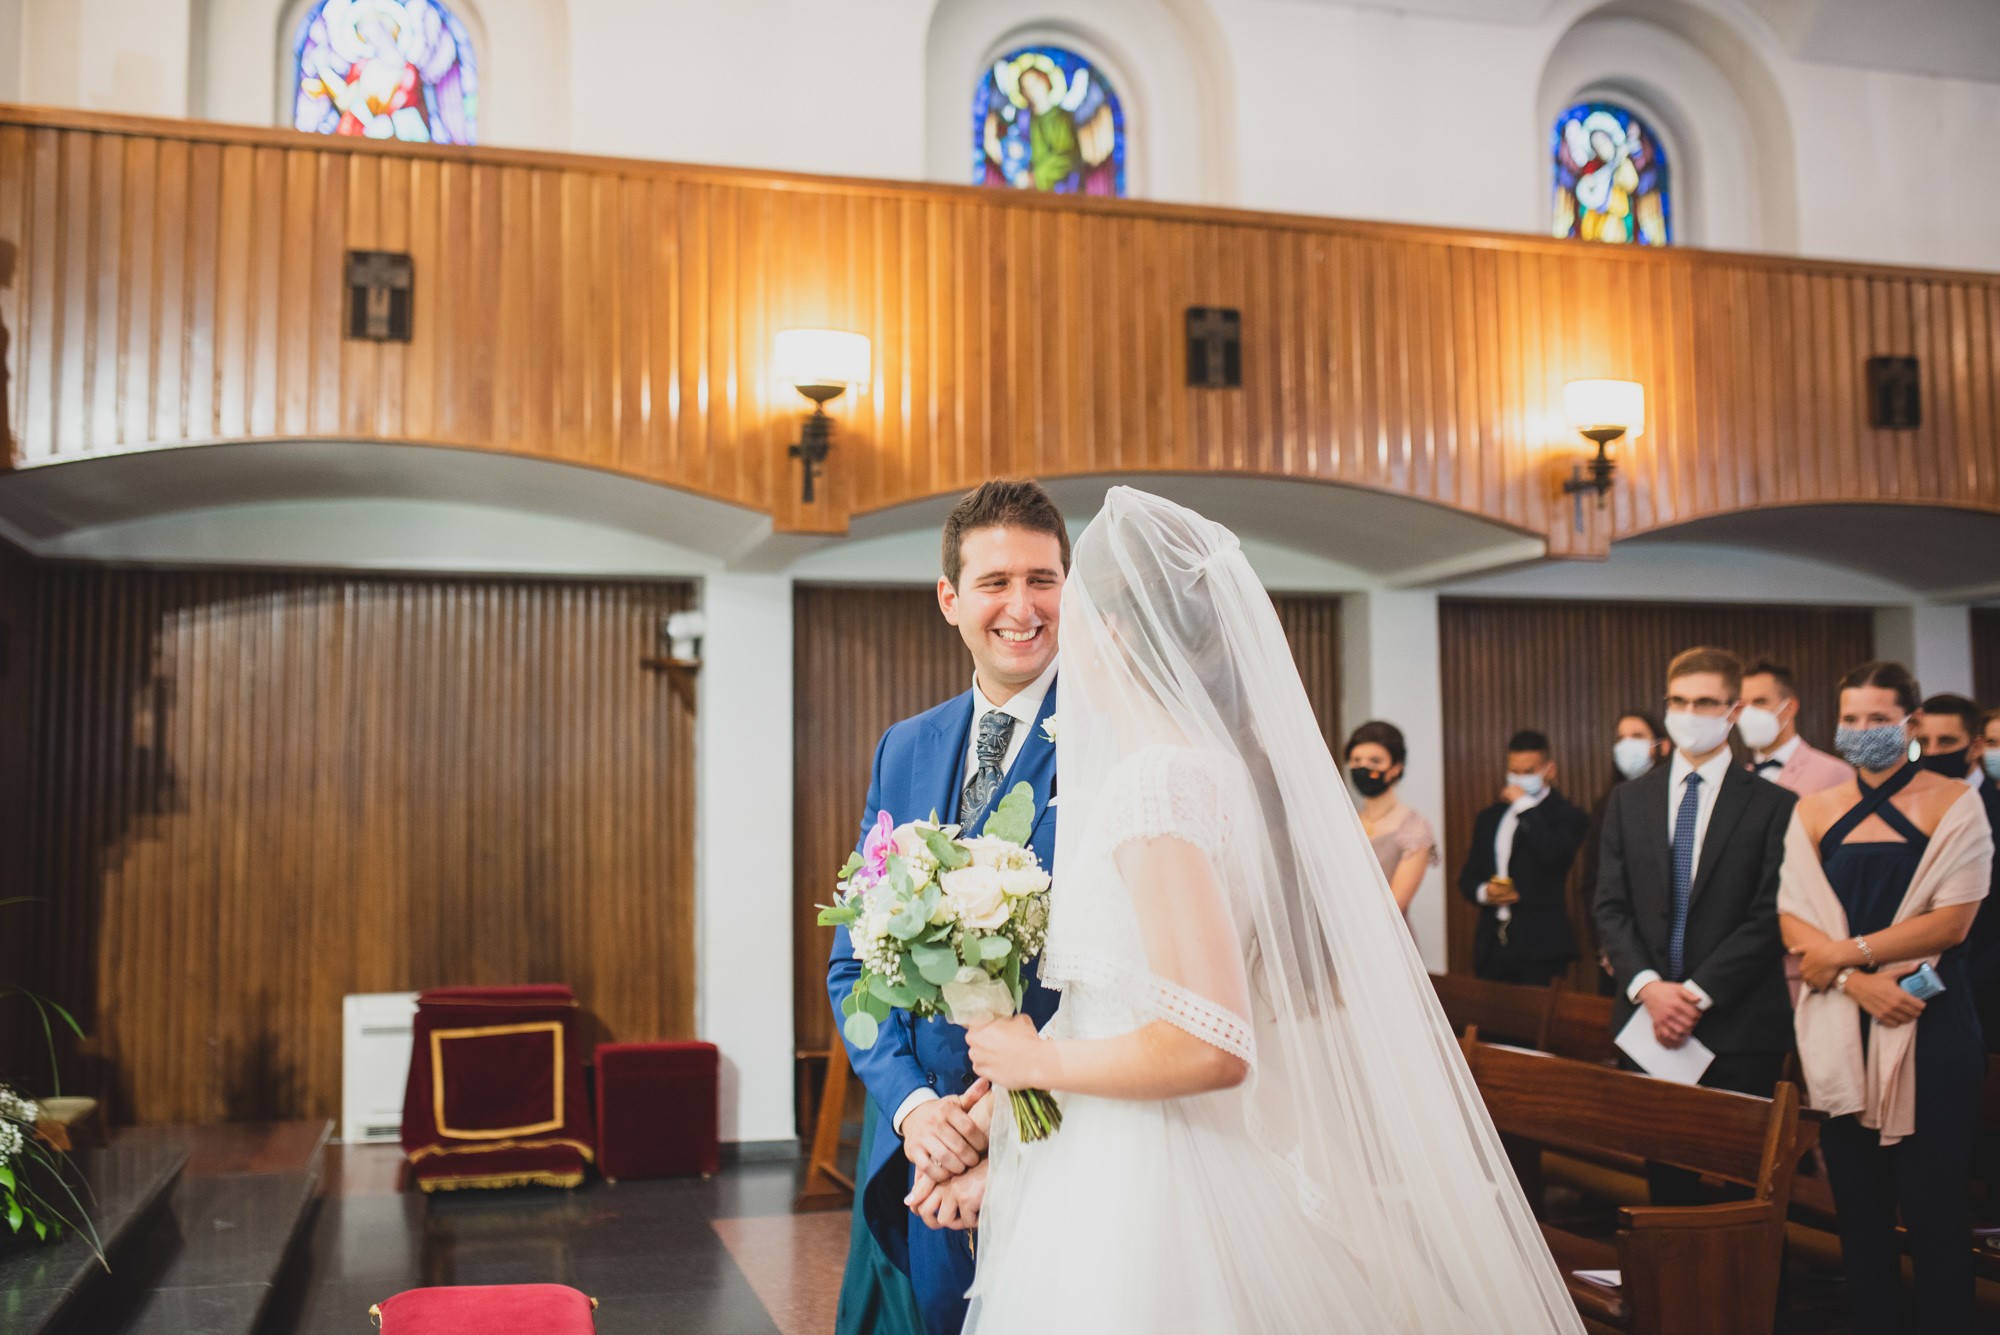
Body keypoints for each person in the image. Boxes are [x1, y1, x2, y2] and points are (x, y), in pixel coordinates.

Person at [917, 487, 1582, 1333]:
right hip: (1131, 1148)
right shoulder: (1214, 772)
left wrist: (1031, 1064)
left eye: (1071, 607)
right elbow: (1121, 1001)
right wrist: (996, 1114)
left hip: (1157, 1181)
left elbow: (1211, 1040)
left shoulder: (1158, 783)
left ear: (1116, 634)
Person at [825, 480, 1067, 1335]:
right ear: (950, 597)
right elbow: (856, 966)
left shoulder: (1118, 743)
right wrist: (913, 1108)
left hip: (1056, 1142)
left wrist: (997, 1114)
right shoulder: (906, 744)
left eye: (1043, 579)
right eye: (996, 581)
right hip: (916, 1154)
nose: (1022, 606)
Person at [1780, 662, 1990, 1335]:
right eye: (1851, 718)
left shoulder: (1953, 800)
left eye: (1877, 718)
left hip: (1929, 1018)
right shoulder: (1815, 809)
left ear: (1911, 721)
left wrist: (1843, 956)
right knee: (1861, 1213)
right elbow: (1794, 917)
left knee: (1933, 1214)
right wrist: (1856, 980)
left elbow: (1951, 921)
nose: (1862, 730)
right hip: (1847, 1021)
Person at [1594, 647, 1797, 1115]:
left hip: (1740, 1022)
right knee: (1666, 1182)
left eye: (1705, 703)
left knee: (1746, 1176)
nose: (1689, 714)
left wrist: (1694, 995)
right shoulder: (1628, 800)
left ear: (1734, 711)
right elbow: (1610, 905)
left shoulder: (1774, 804)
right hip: (1649, 1020)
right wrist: (1650, 987)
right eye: (1678, 701)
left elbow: (1771, 914)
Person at [1457, 730, 1590, 985]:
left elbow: (1552, 853)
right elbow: (1467, 877)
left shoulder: (1568, 815)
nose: (1518, 780)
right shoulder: (1490, 817)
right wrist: (1485, 892)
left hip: (1541, 946)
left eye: (1528, 772)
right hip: (1493, 943)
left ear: (1549, 770)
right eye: (1514, 772)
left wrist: (1524, 805)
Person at [1915, 693, 2000, 1049]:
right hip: (1911, 991)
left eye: (1946, 741)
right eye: (1923, 742)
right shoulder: (1906, 807)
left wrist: (1959, 985)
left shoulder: (1993, 807)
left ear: (1974, 746)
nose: (1933, 752)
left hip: (1985, 992)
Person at [1344, 719, 1438, 915]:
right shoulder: (1346, 822)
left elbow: (1394, 905)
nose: (1364, 768)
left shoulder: (1414, 828)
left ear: (1396, 767)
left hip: (1383, 935)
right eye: (1356, 761)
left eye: (1375, 761)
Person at [1738, 659, 1854, 794]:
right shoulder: (1739, 776)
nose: (1749, 713)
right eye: (1742, 705)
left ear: (1790, 707)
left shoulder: (1834, 773)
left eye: (1760, 702)